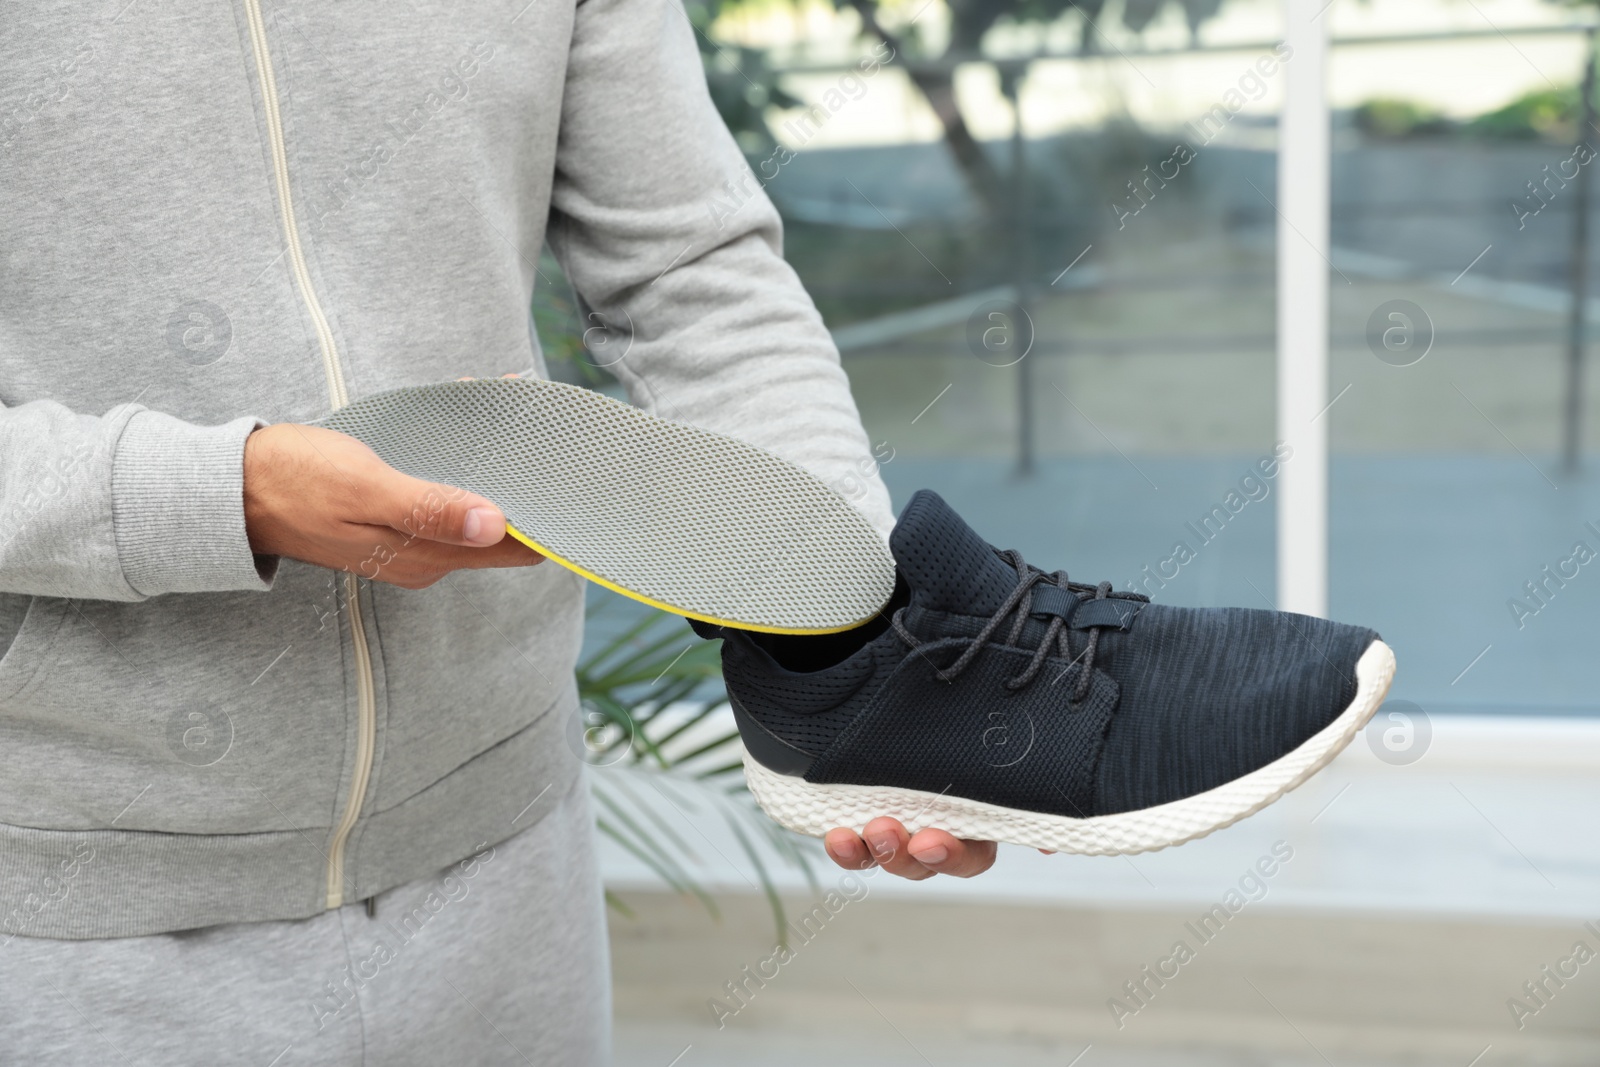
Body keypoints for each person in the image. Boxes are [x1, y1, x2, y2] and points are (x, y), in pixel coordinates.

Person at [0, 4, 995, 1064]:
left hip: (509, 859)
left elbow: (693, 280)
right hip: (67, 915)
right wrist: (218, 491)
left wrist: (863, 644)